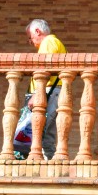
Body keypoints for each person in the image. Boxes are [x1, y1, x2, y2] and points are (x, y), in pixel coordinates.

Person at [26, 18, 67, 160]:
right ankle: (48, 161)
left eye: (30, 37)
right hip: (51, 91)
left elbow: (44, 71)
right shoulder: (54, 42)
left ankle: (47, 164)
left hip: (49, 91)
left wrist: (36, 95)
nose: (31, 42)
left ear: (37, 31)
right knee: (44, 132)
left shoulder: (48, 42)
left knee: (42, 132)